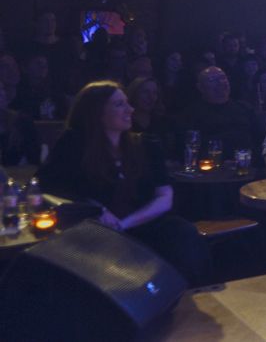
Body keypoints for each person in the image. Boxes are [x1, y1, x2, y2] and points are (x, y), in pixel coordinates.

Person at [37, 81, 209, 283]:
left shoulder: (146, 144)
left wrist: (125, 224)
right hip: (95, 227)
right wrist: (95, 207)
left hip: (142, 222)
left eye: (127, 103)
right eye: (119, 104)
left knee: (183, 234)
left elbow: (164, 196)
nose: (130, 109)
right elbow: (47, 186)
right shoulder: (74, 144)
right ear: (97, 112)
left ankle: (191, 295)